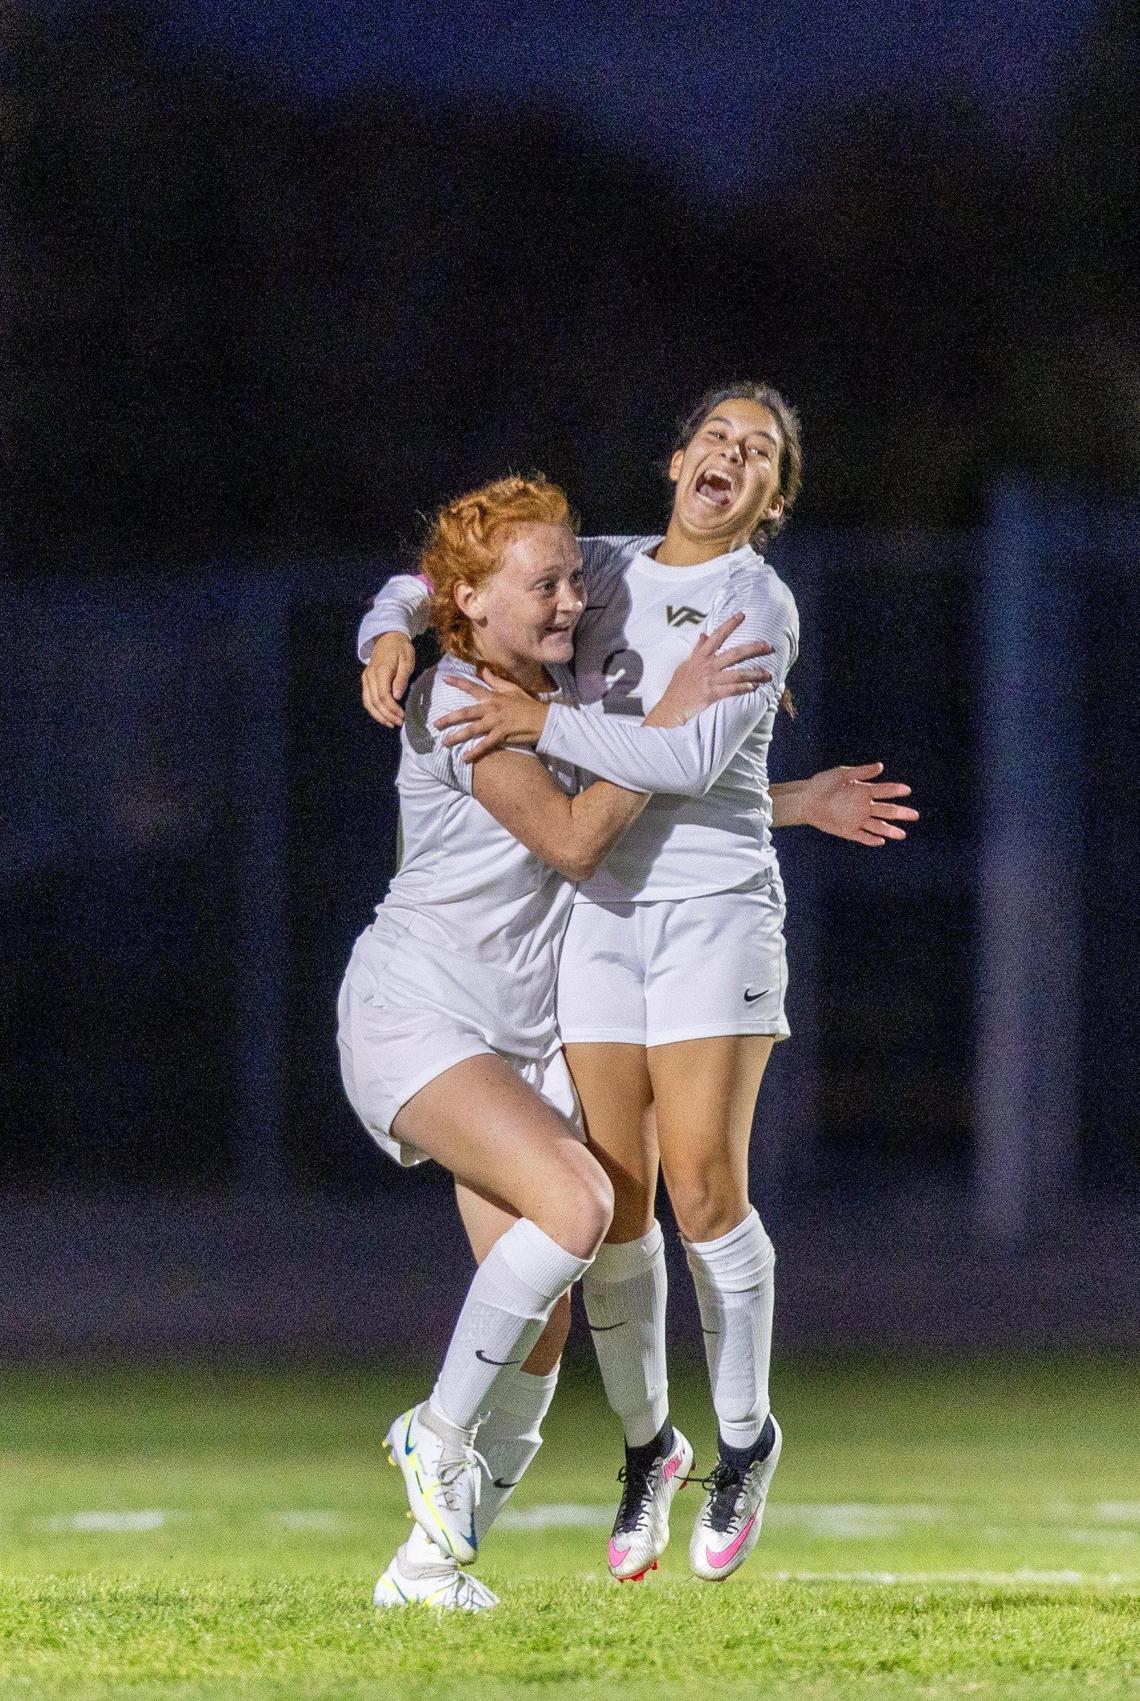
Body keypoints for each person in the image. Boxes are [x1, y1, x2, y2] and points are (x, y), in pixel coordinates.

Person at [356, 382, 918, 1586]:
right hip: (499, 978)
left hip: (627, 959)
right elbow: (569, 818)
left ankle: (706, 1451)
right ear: (673, 461)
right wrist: (387, 631)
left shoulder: (737, 600)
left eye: (759, 451)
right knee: (592, 1211)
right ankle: (548, 1441)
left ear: (774, 497)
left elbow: (680, 774)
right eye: (716, 435)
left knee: (649, 1224)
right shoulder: (525, 642)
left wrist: (785, 799)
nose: (732, 454)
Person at [342, 471, 777, 1611]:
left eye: (575, 576)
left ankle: (426, 1569)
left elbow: (645, 792)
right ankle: (432, 1436)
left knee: (540, 1322)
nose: (573, 599)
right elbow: (581, 839)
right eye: (544, 584)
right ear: (471, 602)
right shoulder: (460, 698)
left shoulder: (556, 690)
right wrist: (665, 718)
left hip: (515, 1036)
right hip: (421, 1016)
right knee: (580, 1209)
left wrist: (797, 794)